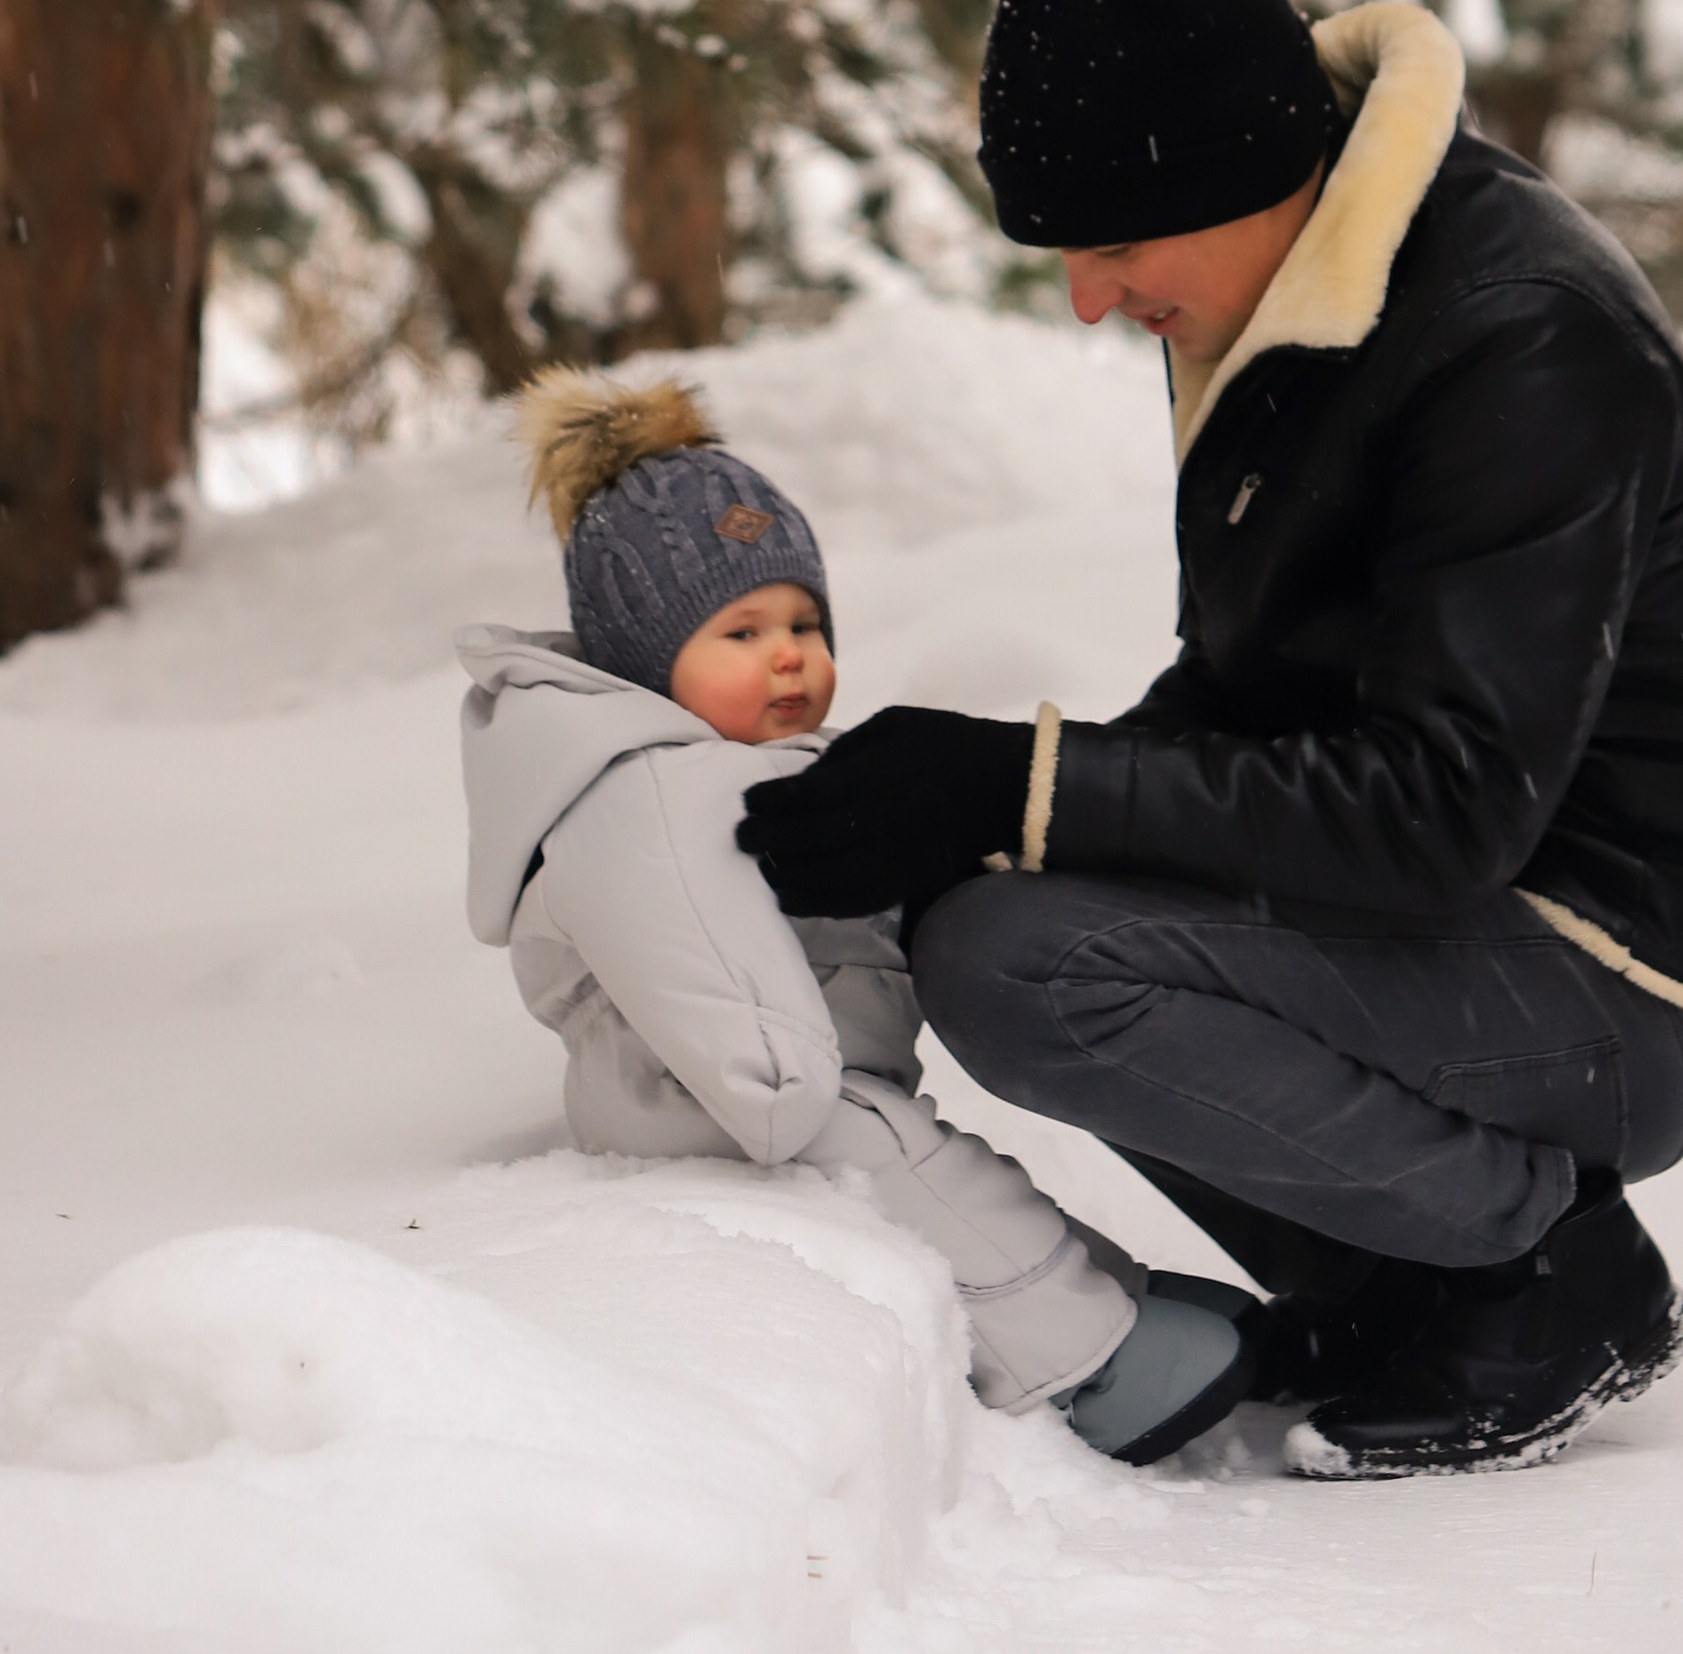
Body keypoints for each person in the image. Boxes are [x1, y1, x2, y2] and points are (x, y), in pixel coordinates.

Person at [740, 0, 1683, 1479]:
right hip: (1492, 912)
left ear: (1243, 168)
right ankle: (1402, 1292)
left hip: (1626, 960)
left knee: (1028, 964)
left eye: (1112, 247)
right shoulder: (1302, 283)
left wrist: (1018, 784)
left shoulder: (1516, 338)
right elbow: (1263, 690)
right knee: (994, 896)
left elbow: (1442, 810)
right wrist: (989, 808)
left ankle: (1546, 1281)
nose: (1089, 300)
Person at [456, 366, 1250, 1464]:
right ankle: (1093, 1360)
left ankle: (1118, 1294)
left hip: (778, 1071)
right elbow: (692, 938)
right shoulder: (645, 789)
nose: (789, 652)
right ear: (646, 654)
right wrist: (779, 1076)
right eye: (741, 631)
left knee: (930, 1161)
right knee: (898, 1158)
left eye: (804, 621)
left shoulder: (718, 764)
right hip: (714, 1090)